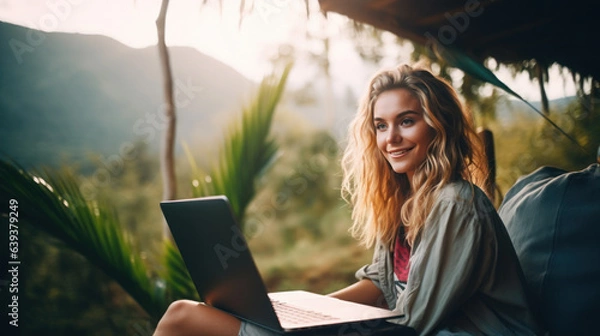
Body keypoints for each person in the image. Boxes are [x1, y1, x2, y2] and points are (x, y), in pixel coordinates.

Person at [153, 64, 542, 335]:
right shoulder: (406, 202)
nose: (391, 138)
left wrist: (323, 328)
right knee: (185, 315)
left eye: (407, 120)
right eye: (380, 125)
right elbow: (381, 285)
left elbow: (415, 320)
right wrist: (296, 313)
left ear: (439, 126)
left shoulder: (456, 203)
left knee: (184, 319)